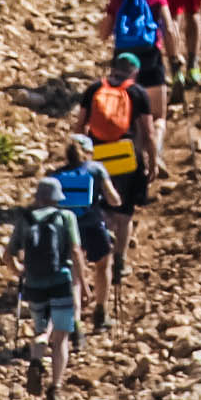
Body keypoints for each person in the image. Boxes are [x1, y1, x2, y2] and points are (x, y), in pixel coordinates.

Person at [5, 175, 85, 400]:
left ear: (38, 197)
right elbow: (76, 251)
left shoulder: (25, 219)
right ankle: (55, 388)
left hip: (34, 284)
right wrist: (84, 284)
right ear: (56, 198)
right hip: (61, 280)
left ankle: (37, 359)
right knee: (60, 337)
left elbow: (7, 256)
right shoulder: (65, 217)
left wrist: (19, 271)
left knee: (41, 327)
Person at [79, 53, 150, 289]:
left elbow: (80, 127)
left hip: (98, 157)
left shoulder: (94, 89)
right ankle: (120, 261)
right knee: (125, 212)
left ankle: (103, 251)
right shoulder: (137, 93)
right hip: (127, 158)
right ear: (134, 72)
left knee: (102, 206)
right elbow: (147, 132)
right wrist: (152, 160)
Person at [104, 0, 174, 177]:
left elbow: (103, 33)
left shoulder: (117, 1)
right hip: (151, 58)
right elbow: (170, 29)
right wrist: (175, 58)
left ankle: (135, 159)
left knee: (131, 115)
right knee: (158, 116)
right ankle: (156, 154)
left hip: (123, 60)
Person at [50, 134, 120, 333]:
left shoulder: (56, 175)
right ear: (88, 152)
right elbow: (113, 198)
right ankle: (101, 312)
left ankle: (76, 324)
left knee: (73, 276)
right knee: (104, 264)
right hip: (93, 225)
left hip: (66, 228)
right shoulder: (96, 169)